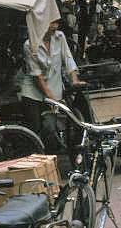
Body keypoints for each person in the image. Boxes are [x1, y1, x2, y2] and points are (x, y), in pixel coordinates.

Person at [20, 19, 85, 153]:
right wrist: (51, 97)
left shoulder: (60, 37)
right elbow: (36, 75)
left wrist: (74, 80)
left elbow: (68, 59)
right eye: (51, 23)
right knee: (35, 128)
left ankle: (51, 154)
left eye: (56, 22)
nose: (54, 26)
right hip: (33, 92)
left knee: (50, 126)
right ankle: (35, 157)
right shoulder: (29, 44)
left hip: (54, 89)